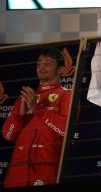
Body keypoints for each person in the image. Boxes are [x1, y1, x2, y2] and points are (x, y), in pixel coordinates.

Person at [2, 47, 72, 188]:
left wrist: (37, 109)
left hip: (46, 169)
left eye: (48, 63)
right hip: (17, 171)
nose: (42, 67)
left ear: (60, 70)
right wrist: (18, 117)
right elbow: (8, 136)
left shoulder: (67, 95)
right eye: (39, 64)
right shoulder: (26, 96)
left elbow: (66, 130)